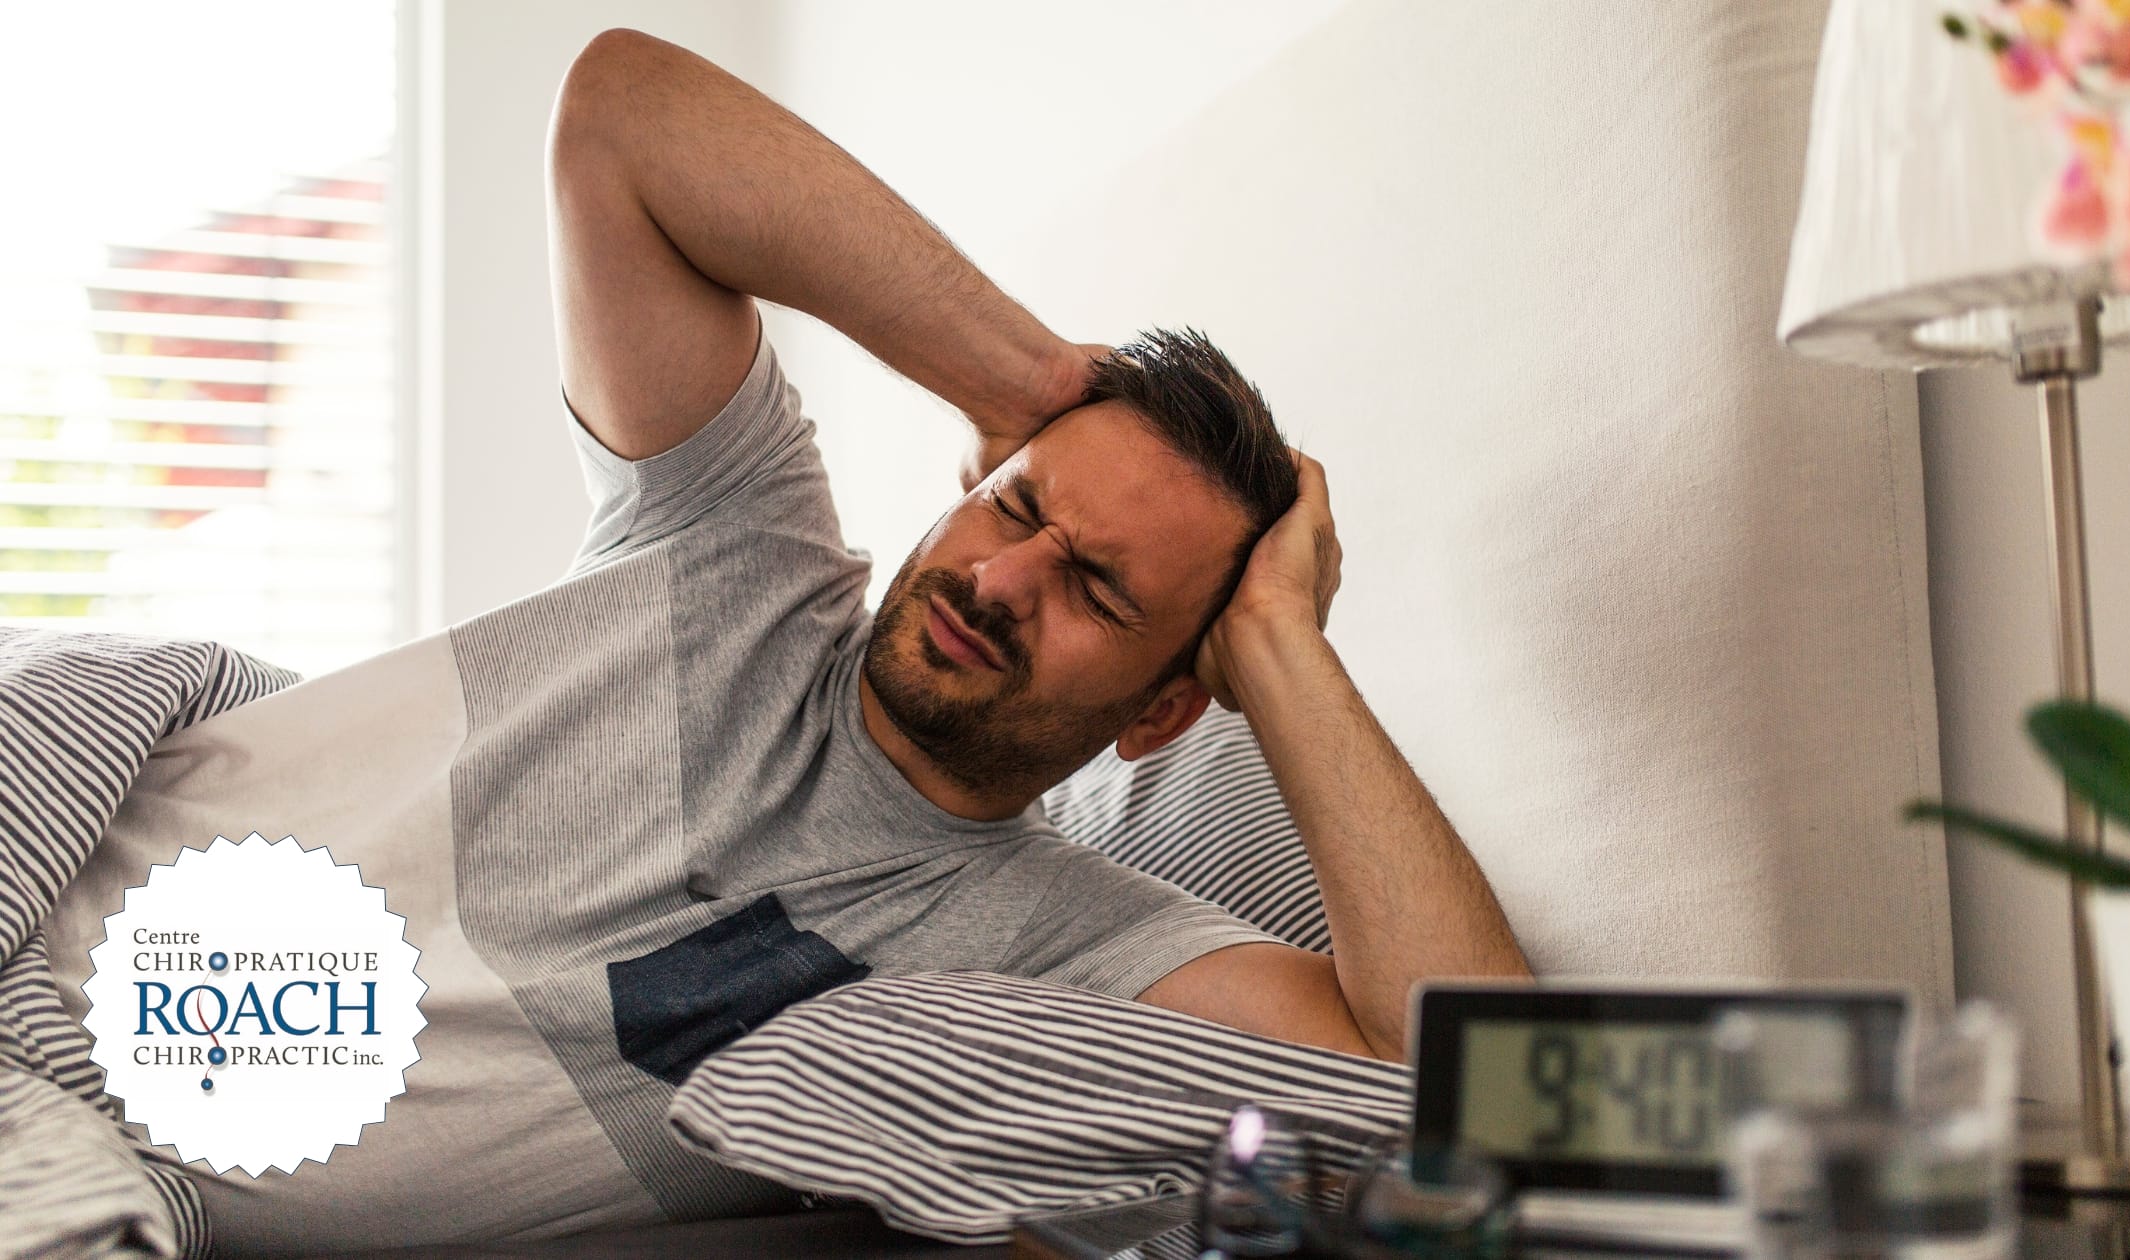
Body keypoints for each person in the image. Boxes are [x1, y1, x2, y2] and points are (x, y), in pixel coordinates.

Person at [546, 27, 1530, 1070]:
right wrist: (1022, 381)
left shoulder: (1072, 946)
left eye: (1098, 590)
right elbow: (622, 113)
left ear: (1159, 713)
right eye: (1014, 511)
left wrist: (1277, 643)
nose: (1002, 581)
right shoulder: (729, 565)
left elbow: (1475, 1088)